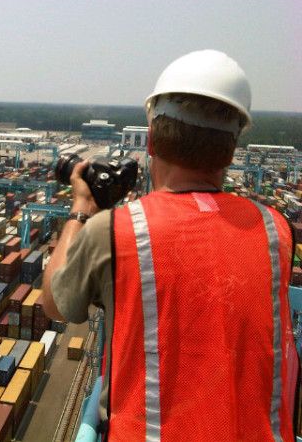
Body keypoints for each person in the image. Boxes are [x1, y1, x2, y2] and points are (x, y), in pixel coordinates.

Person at [42, 49, 299, 441]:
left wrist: (82, 207)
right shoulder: (276, 231)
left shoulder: (115, 230)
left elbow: (55, 306)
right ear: (231, 150)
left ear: (150, 143)